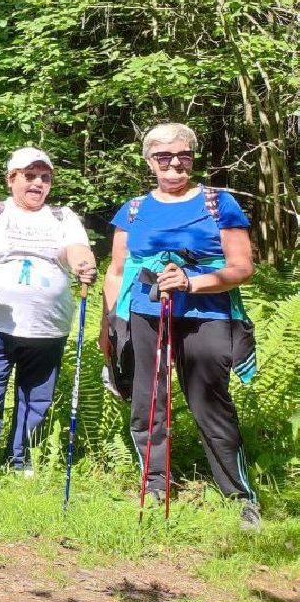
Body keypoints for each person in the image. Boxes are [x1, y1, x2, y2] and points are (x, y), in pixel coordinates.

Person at [100, 123, 260, 530]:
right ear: (149, 161)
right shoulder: (133, 209)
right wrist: (109, 325)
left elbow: (242, 267)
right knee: (147, 401)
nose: (174, 165)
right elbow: (117, 270)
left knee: (210, 402)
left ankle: (240, 496)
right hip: (143, 312)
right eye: (164, 157)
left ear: (192, 157)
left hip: (206, 313)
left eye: (183, 156)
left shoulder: (217, 202)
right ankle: (154, 486)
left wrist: (193, 282)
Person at [0, 147, 97, 483]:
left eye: (44, 178)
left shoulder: (62, 217)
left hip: (48, 327)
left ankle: (21, 460)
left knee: (36, 398)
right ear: (12, 179)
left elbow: (76, 249)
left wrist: (82, 265)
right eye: (29, 176)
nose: (37, 183)